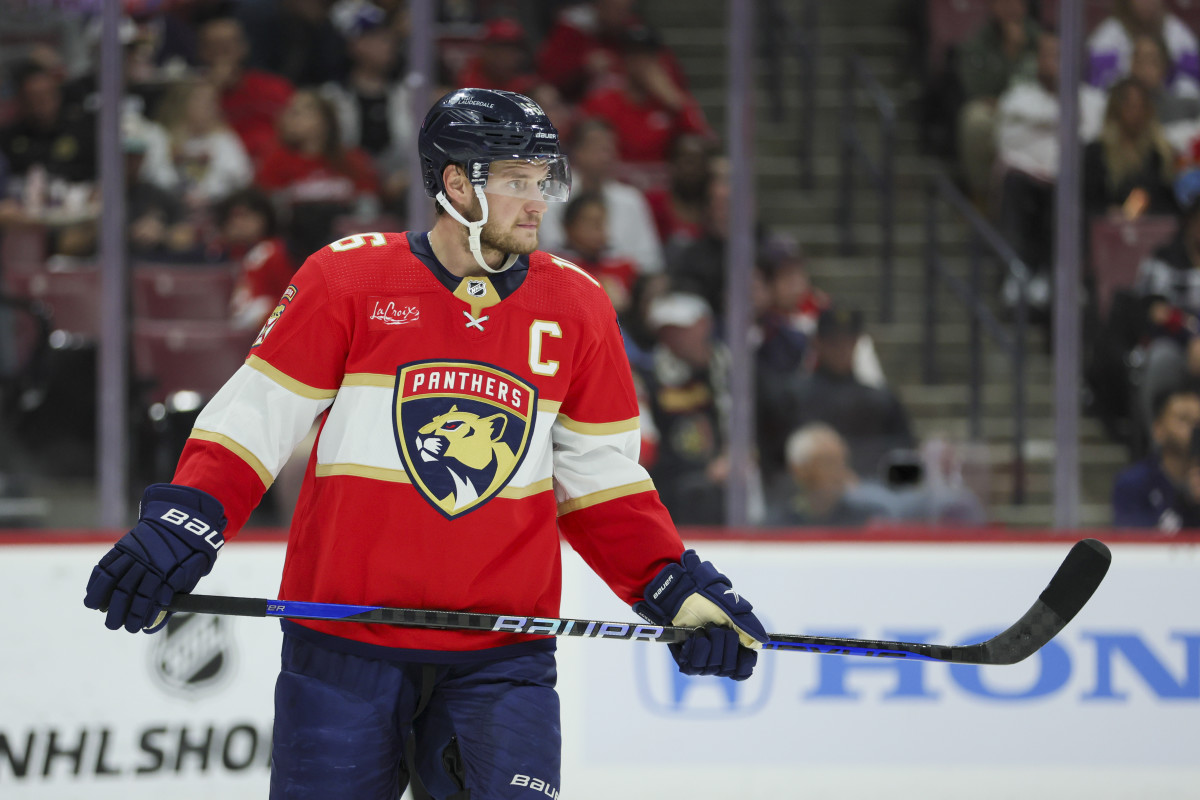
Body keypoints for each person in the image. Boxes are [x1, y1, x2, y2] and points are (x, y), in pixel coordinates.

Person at [82, 87, 767, 800]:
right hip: (342, 647)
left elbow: (602, 483)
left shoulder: (578, 305)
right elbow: (254, 421)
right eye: (517, 183)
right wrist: (182, 519)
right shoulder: (347, 278)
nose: (538, 203)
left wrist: (673, 587)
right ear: (455, 183)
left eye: (543, 182)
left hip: (503, 656)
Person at [537, 117, 665, 274]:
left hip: (622, 285)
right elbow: (548, 251)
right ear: (577, 151)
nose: (606, 156)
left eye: (610, 148)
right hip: (564, 279)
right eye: (597, 148)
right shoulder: (551, 198)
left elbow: (650, 260)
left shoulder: (632, 199)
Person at [954, 0, 1041, 203]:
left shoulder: (1039, 38)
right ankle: (982, 195)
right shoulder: (978, 41)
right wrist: (1010, 53)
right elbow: (976, 90)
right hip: (997, 111)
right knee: (975, 120)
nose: (1010, 7)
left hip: (1035, 110)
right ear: (992, 6)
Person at [1082, 76, 1178, 219]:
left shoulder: (1159, 154)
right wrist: (1106, 211)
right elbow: (1086, 202)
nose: (1136, 113)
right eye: (1130, 106)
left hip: (1152, 231)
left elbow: (1170, 205)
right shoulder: (1096, 153)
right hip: (1107, 232)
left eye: (1141, 106)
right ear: (1115, 110)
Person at [1112, 384, 1200, 530]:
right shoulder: (1133, 483)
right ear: (1158, 429)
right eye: (1184, 420)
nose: (1194, 428)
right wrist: (1186, 503)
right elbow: (1134, 544)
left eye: (1197, 422)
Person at [1087, 0, 1200, 97]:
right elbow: (1096, 86)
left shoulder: (1177, 32)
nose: (1146, 2)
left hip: (1168, 107)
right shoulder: (1107, 36)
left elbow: (1192, 82)